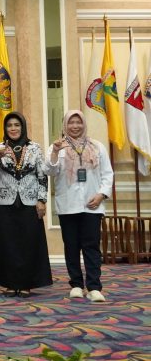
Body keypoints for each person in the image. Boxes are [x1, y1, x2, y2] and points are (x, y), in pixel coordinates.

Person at [44, 110, 113, 302]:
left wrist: (101, 195)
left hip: (92, 205)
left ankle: (94, 287)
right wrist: (55, 152)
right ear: (65, 125)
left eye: (78, 122)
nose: (75, 126)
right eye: (71, 123)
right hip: (68, 206)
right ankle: (76, 284)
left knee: (91, 246)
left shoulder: (97, 146)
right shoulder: (57, 147)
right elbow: (49, 170)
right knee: (72, 246)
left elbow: (107, 174)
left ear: (84, 124)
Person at [0, 112, 52, 297]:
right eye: (9, 125)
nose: (13, 128)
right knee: (7, 244)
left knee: (28, 243)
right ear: (5, 128)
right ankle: (9, 283)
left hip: (29, 201)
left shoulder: (35, 148)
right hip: (5, 201)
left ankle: (26, 284)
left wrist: (42, 200)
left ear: (22, 127)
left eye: (17, 125)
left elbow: (42, 176)